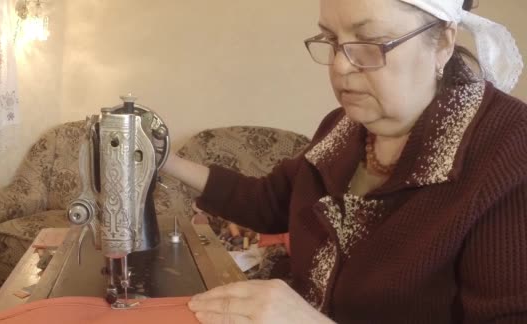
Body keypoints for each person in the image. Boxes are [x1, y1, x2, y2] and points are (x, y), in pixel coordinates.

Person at [162, 0, 526, 322]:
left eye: (369, 43)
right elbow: (271, 202)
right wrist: (165, 161)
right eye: (332, 41)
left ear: (444, 41)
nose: (339, 67)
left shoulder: (509, 151)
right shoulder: (343, 127)